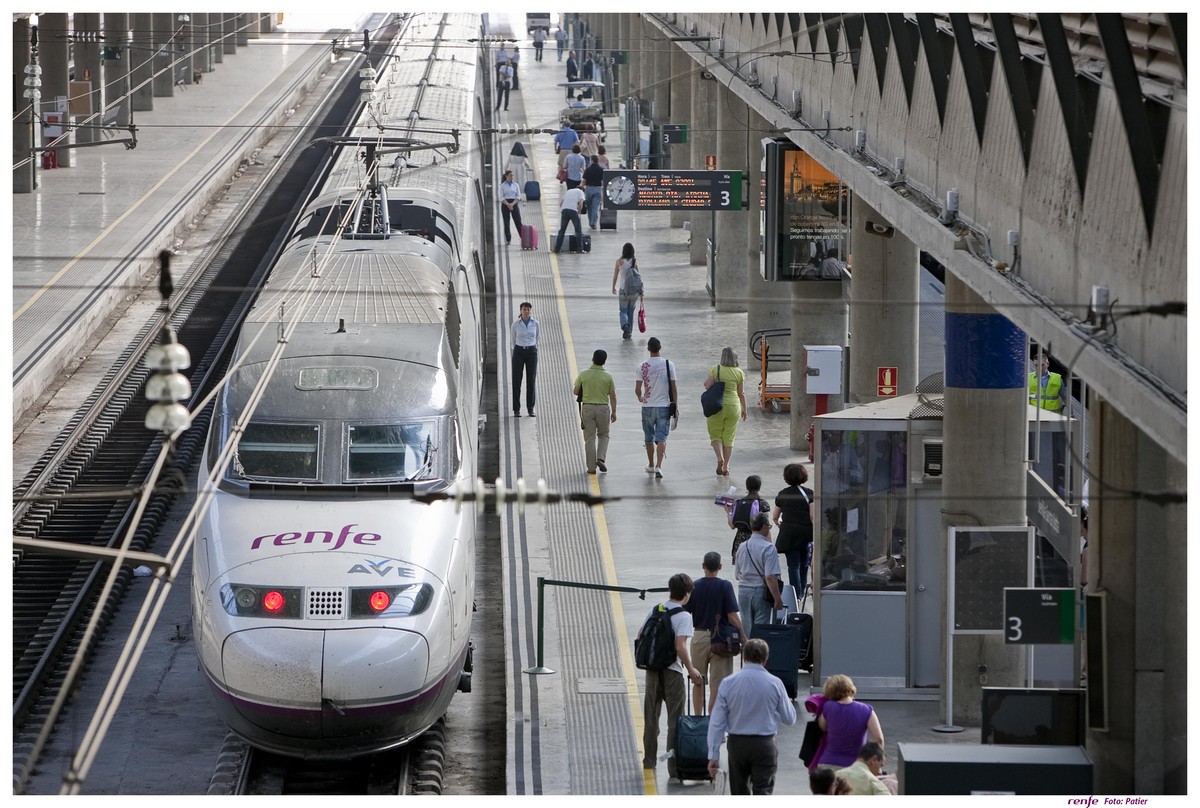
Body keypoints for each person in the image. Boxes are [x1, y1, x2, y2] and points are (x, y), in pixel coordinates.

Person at [704, 638, 796, 794]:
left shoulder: (728, 683)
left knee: (739, 793)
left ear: (743, 657)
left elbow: (716, 722)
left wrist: (713, 755)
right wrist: (772, 713)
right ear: (765, 659)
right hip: (764, 745)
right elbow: (789, 718)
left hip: (737, 745)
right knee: (763, 792)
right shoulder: (775, 683)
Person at [639, 573, 703, 779]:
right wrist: (691, 669)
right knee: (674, 721)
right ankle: (673, 767)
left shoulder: (656, 609)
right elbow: (680, 646)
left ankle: (649, 762)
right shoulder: (684, 616)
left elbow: (641, 635)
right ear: (687, 594)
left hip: (652, 671)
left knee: (651, 717)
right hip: (672, 672)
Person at [683, 551, 743, 714]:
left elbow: (684, 612)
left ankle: (698, 721)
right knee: (718, 685)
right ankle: (712, 724)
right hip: (721, 640)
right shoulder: (725, 586)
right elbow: (732, 617)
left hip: (699, 637)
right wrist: (743, 638)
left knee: (698, 681)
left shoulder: (694, 587)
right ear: (720, 567)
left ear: (703, 567)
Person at [812, 674, 884, 769]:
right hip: (856, 767)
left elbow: (822, 727)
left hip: (828, 764)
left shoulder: (828, 707)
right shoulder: (867, 710)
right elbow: (879, 739)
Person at [634, 337, 677, 478]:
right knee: (661, 438)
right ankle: (659, 466)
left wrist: (641, 398)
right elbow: (674, 387)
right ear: (660, 348)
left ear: (648, 349)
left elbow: (637, 389)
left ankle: (651, 464)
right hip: (664, 406)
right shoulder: (668, 364)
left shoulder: (642, 366)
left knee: (649, 438)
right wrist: (675, 405)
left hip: (647, 406)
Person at [734, 515, 783, 635]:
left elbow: (737, 575)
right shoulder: (769, 548)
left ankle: (747, 653)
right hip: (761, 593)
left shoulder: (742, 546)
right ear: (765, 527)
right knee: (761, 632)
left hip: (743, 592)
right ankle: (759, 653)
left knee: (747, 631)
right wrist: (777, 599)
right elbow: (770, 577)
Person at [703, 347, 748, 476]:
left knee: (715, 434)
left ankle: (719, 458)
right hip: (734, 406)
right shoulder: (739, 372)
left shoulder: (715, 369)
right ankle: (726, 467)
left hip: (717, 405)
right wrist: (744, 409)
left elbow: (707, 385)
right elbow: (742, 393)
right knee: (729, 436)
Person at [772, 463, 815, 596]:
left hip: (789, 535)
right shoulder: (809, 493)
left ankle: (795, 595)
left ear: (786, 477)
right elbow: (813, 516)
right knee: (804, 564)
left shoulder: (782, 494)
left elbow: (775, 517)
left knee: (793, 566)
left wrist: (782, 526)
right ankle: (801, 591)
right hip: (806, 534)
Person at [572, 349, 617, 474]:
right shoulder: (608, 376)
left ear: (593, 358)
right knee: (603, 435)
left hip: (587, 409)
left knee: (590, 438)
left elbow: (575, 391)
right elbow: (613, 396)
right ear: (604, 361)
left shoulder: (583, 373)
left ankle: (591, 468)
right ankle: (600, 458)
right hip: (603, 409)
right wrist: (614, 412)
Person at [727, 475, 770, 563]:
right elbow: (766, 527)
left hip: (740, 542)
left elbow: (732, 526)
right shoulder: (762, 503)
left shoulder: (739, 503)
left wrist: (728, 512)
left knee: (741, 572)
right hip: (757, 541)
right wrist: (769, 545)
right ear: (759, 487)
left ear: (747, 487)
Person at [511, 301, 539, 417]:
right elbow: (512, 339)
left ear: (530, 311)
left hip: (531, 352)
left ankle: (530, 408)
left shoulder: (535, 323)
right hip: (519, 351)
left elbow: (537, 337)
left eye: (528, 309)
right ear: (520, 311)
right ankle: (516, 409)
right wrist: (517, 349)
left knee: (531, 380)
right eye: (524, 309)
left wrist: (533, 348)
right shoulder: (516, 324)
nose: (526, 311)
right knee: (516, 380)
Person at [610, 242, 643, 340]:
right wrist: (641, 291)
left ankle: (625, 326)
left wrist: (613, 287)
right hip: (634, 291)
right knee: (631, 311)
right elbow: (638, 277)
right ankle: (630, 333)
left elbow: (615, 276)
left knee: (623, 310)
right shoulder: (634, 262)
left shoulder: (619, 261)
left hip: (623, 290)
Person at [553, 185, 586, 253]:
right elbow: (580, 204)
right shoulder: (581, 192)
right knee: (578, 231)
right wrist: (579, 212)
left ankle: (557, 249)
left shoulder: (568, 191)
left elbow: (561, 204)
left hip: (564, 210)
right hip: (573, 211)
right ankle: (579, 249)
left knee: (562, 230)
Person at [583, 154, 604, 229]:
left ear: (591, 161)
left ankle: (590, 222)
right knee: (595, 207)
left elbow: (584, 181)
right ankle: (593, 222)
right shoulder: (601, 170)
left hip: (589, 189)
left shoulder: (587, 169)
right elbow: (602, 181)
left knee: (589, 207)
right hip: (598, 189)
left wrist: (581, 187)